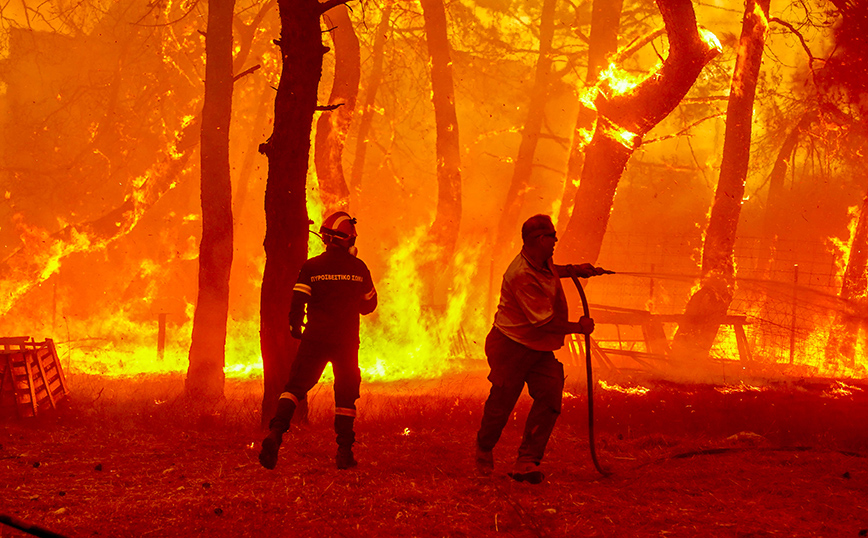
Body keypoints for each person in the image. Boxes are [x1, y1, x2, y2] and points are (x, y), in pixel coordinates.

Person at [475, 214, 606, 484]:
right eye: (551, 236)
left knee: (550, 395)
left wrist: (574, 270)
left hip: (537, 348)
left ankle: (527, 461)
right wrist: (579, 327)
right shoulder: (521, 274)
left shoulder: (540, 259)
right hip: (510, 347)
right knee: (502, 403)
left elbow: (550, 270)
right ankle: (484, 448)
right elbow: (545, 323)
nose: (556, 240)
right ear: (538, 240)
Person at [259, 211, 378, 471]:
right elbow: (369, 305)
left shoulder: (312, 267)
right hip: (346, 342)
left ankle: (275, 434)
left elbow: (298, 300)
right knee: (345, 395)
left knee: (295, 387)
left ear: (326, 239)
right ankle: (344, 452)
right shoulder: (358, 268)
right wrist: (350, 298)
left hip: (315, 337)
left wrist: (295, 325)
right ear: (347, 239)